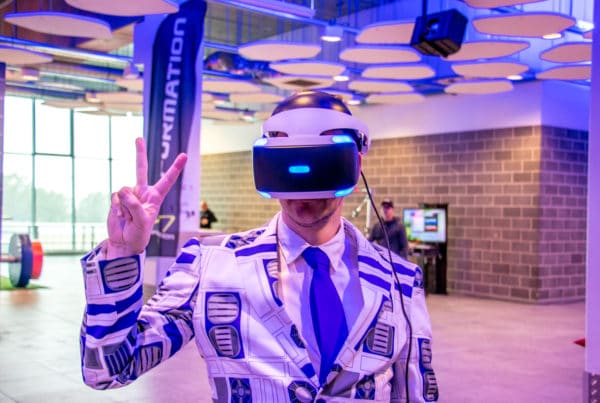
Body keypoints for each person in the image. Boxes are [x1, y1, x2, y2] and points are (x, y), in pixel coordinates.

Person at [78, 91, 438, 402]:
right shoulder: (210, 265)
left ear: (355, 166)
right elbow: (108, 369)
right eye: (286, 165)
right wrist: (122, 252)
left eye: (320, 164)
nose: (303, 190)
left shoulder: (401, 280)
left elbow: (417, 394)